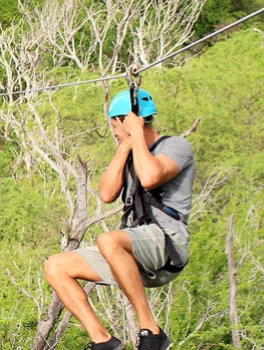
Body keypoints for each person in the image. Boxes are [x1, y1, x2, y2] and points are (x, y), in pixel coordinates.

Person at [43, 89, 195, 350]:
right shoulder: (129, 151)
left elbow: (150, 177)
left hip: (168, 243)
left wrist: (135, 135)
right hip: (134, 251)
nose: (114, 132)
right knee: (56, 265)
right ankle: (104, 341)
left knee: (109, 240)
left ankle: (152, 332)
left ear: (128, 121)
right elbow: (106, 193)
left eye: (115, 125)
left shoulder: (175, 146)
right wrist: (126, 145)